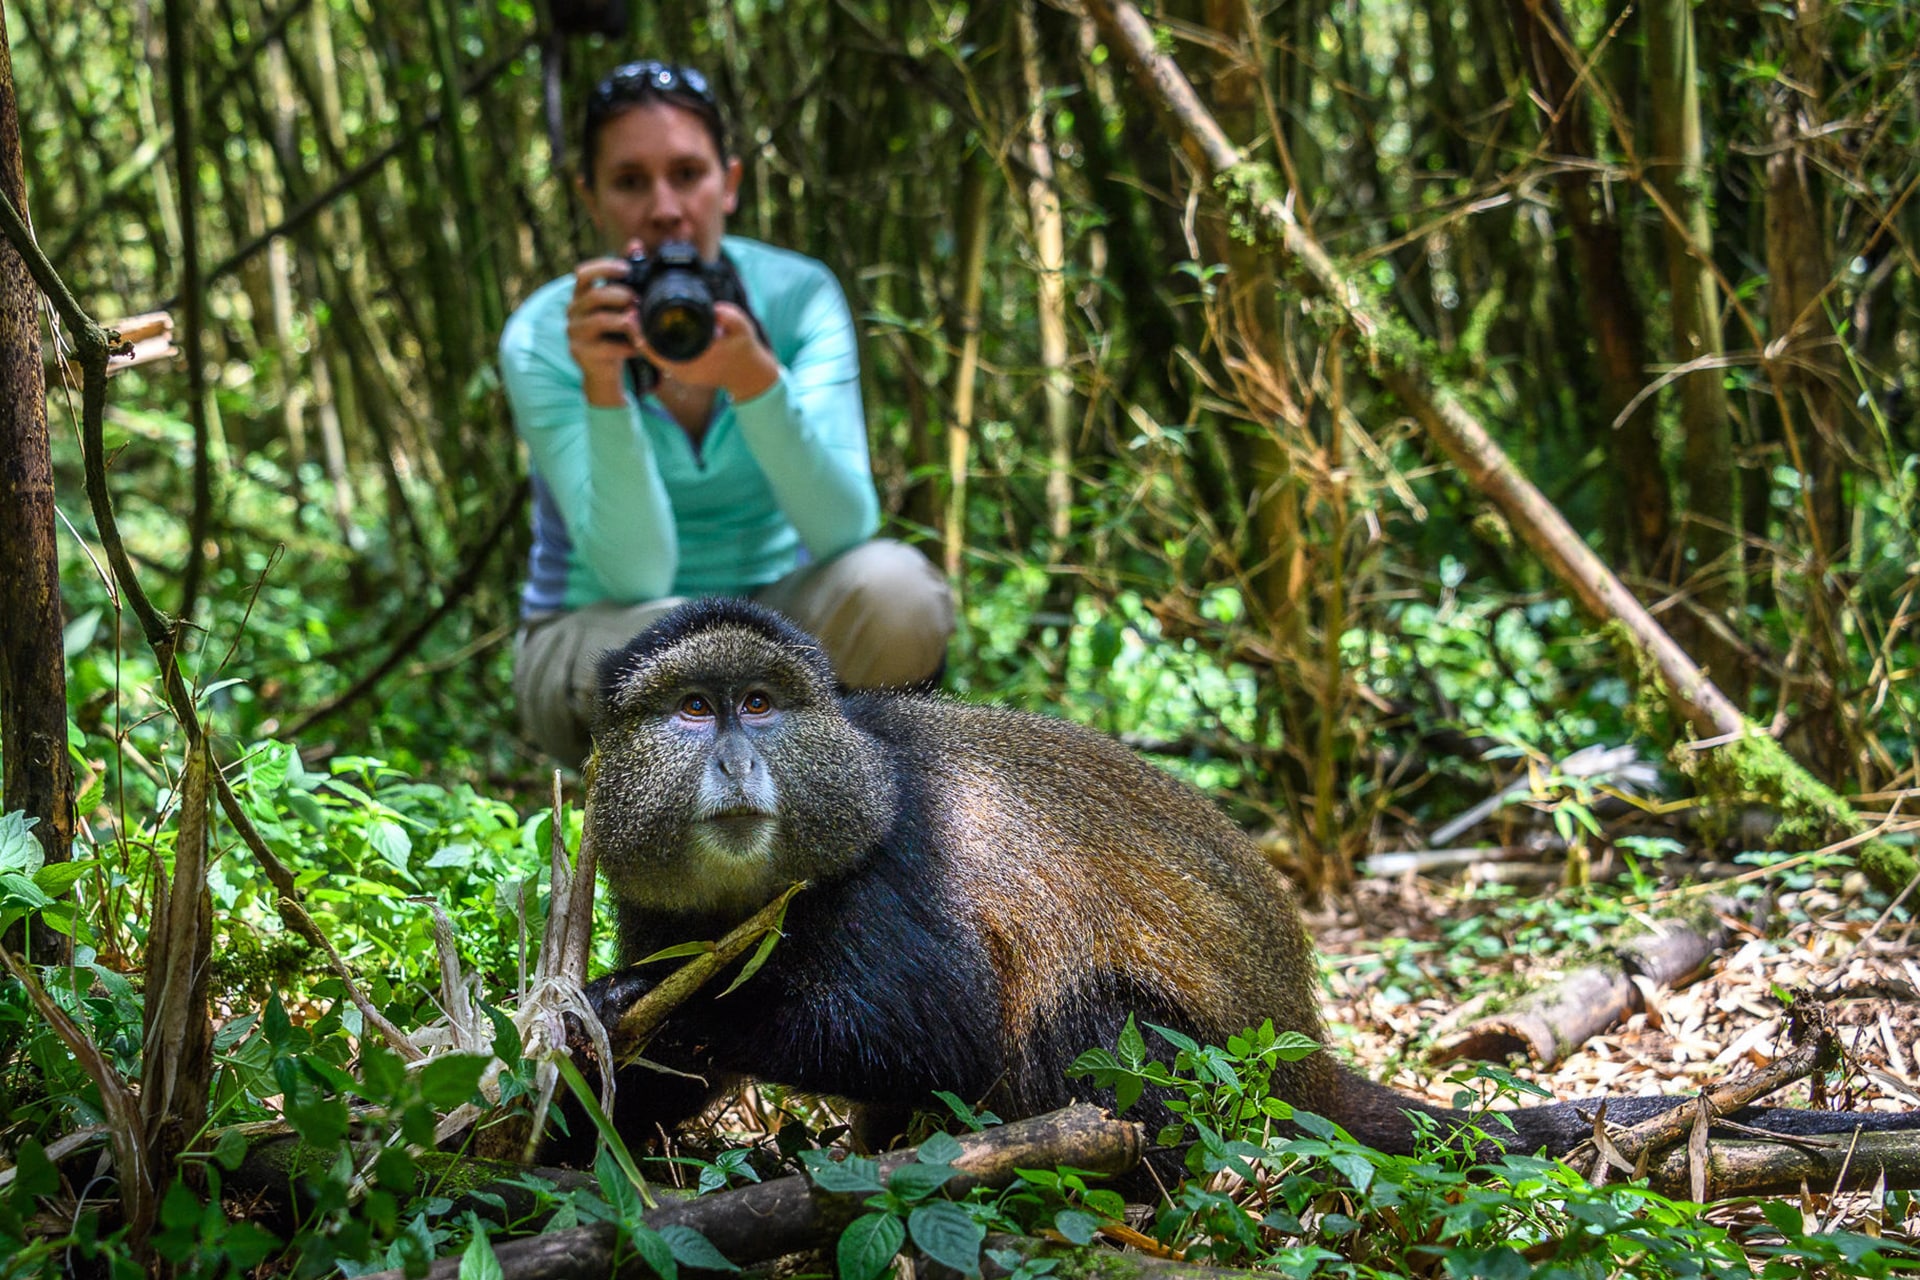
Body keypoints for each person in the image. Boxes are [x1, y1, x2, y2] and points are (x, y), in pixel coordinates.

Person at [501, 61, 954, 766]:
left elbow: (845, 529)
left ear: (730, 183)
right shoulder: (546, 335)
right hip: (601, 629)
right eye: (629, 182)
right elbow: (637, 577)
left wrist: (755, 382)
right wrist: (604, 385)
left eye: (687, 174)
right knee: (682, 654)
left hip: (779, 614)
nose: (664, 209)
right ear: (591, 199)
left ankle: (885, 812)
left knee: (897, 591)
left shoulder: (798, 299)